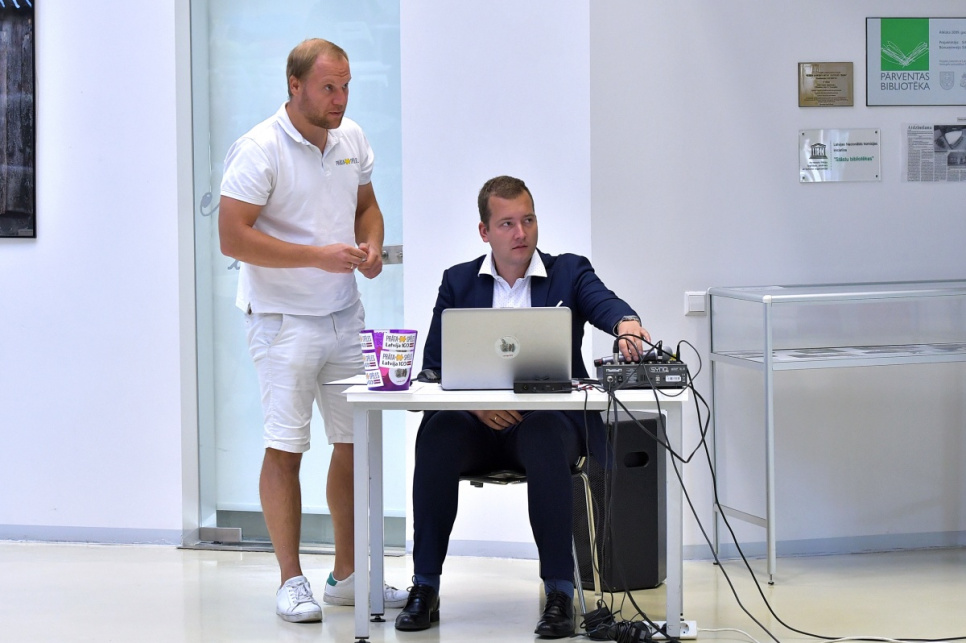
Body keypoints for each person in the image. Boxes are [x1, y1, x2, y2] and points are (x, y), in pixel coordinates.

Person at [395, 175, 651, 638]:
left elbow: (605, 304)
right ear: (484, 231)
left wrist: (627, 324)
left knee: (543, 433)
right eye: (507, 223)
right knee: (436, 436)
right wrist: (479, 407)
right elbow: (434, 367)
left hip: (545, 427)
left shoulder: (569, 272)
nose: (521, 233)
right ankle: (424, 587)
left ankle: (559, 595)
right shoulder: (457, 282)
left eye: (528, 220)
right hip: (475, 429)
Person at [219, 38, 408, 624]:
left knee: (354, 444)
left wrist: (371, 245)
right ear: (295, 85)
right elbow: (232, 237)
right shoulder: (259, 148)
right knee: (286, 446)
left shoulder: (351, 139)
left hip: (344, 313)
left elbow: (367, 207)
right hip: (281, 321)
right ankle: (290, 579)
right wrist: (315, 257)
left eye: (346, 86)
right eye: (329, 87)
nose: (340, 99)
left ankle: (348, 577)